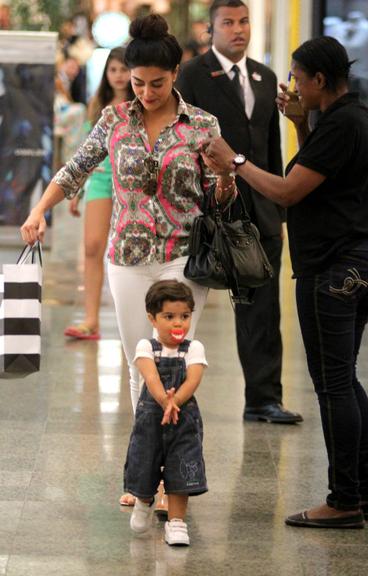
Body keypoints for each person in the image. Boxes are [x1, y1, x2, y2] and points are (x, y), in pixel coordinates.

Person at [20, 14, 235, 507]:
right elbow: (78, 167)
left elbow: (217, 198)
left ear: (175, 73)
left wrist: (226, 178)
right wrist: (39, 209)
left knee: (175, 366)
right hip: (127, 256)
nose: (146, 92)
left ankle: (167, 482)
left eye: (156, 83)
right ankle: (145, 471)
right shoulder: (114, 118)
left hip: (183, 257)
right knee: (142, 369)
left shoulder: (202, 125)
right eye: (137, 83)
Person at [203, 36, 368, 528]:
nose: (293, 87)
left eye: (299, 79)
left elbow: (286, 191)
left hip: (334, 269)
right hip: (362, 265)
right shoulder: (357, 119)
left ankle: (344, 499)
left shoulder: (344, 123)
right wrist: (301, 123)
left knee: (332, 387)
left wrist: (235, 162)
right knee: (344, 379)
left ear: (320, 80)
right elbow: (316, 176)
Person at [176, 0, 302, 424]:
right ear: (211, 30)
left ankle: (263, 399)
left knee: (263, 309)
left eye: (244, 21)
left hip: (260, 211)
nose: (238, 30)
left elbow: (270, 147)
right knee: (184, 303)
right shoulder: (191, 76)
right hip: (207, 212)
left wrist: (278, 215)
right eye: (227, 23)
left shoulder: (265, 78)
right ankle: (170, 393)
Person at [126, 279, 207, 546]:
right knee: (145, 461)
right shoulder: (146, 346)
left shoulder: (194, 348)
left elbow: (193, 379)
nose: (178, 323)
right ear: (152, 317)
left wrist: (176, 402)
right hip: (152, 418)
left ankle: (176, 523)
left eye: (184, 316)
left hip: (183, 421)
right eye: (169, 316)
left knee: (181, 467)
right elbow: (150, 378)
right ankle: (143, 500)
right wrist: (165, 400)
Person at [64, 47, 132, 340]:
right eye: (113, 70)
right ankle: (91, 319)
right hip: (101, 180)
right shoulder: (98, 104)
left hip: (132, 184)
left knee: (130, 252)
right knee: (92, 246)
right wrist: (77, 188)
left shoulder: (143, 102)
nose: (118, 76)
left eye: (124, 69)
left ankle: (134, 320)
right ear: (106, 73)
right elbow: (85, 150)